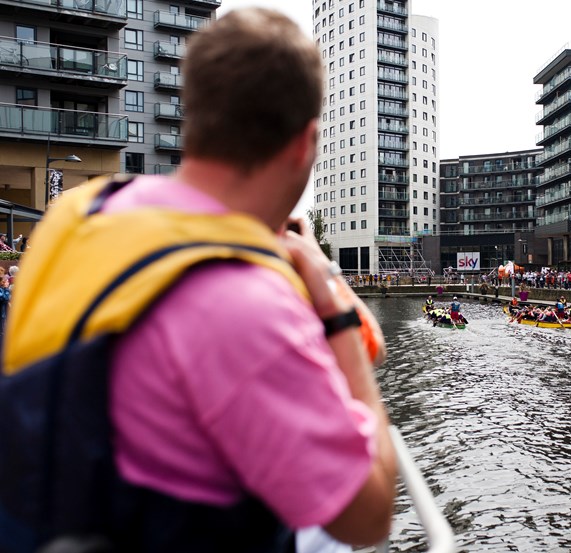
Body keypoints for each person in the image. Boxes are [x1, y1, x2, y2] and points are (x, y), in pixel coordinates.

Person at [1, 9, 396, 552]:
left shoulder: (79, 215)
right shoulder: (246, 305)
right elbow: (369, 517)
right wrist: (333, 306)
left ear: (197, 116)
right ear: (305, 143)